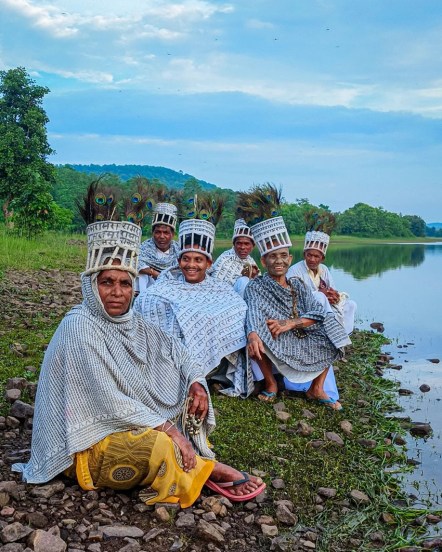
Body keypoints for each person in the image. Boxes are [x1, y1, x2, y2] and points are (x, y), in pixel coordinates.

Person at [12, 219, 265, 505]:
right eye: (107, 282)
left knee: (184, 398)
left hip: (119, 422)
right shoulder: (80, 324)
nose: (117, 292)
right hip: (82, 440)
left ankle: (192, 465)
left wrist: (196, 381)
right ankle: (209, 472)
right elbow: (107, 397)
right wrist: (171, 431)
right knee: (158, 445)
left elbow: (177, 349)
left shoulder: (132, 321)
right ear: (92, 285)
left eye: (124, 283)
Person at [135, 217, 254, 398]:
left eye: (198, 259)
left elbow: (238, 309)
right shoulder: (166, 283)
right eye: (186, 259)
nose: (191, 265)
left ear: (208, 264)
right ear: (178, 261)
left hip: (215, 359)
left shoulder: (219, 288)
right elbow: (144, 302)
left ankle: (207, 375)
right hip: (167, 358)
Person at [243, 215, 351, 410]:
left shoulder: (297, 284)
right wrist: (252, 334)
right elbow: (253, 311)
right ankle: (271, 384)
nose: (279, 261)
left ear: (290, 258)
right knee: (257, 329)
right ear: (263, 260)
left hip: (296, 332)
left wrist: (292, 323)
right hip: (274, 337)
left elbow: (318, 311)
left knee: (332, 326)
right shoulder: (255, 286)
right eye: (273, 256)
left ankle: (316, 388)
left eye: (284, 256)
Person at [287, 227, 357, 335]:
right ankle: (327, 332)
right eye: (309, 255)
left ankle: (344, 334)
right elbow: (292, 296)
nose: (312, 259)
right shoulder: (294, 270)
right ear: (304, 254)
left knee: (351, 304)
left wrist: (334, 295)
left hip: (325, 306)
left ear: (322, 258)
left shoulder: (324, 269)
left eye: (316, 256)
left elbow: (331, 288)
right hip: (303, 310)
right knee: (320, 297)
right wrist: (320, 294)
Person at [137, 202, 180, 293]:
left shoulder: (179, 250)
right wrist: (155, 273)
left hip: (173, 289)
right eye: (158, 232)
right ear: (153, 233)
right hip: (149, 289)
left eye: (166, 232)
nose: (161, 236)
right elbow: (136, 262)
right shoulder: (144, 247)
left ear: (172, 234)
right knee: (141, 274)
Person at [209, 219, 259, 294]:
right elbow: (214, 284)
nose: (242, 247)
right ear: (234, 244)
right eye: (239, 243)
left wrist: (253, 277)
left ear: (253, 246)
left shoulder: (251, 262)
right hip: (221, 297)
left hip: (241, 300)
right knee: (243, 280)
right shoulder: (225, 258)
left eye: (246, 244)